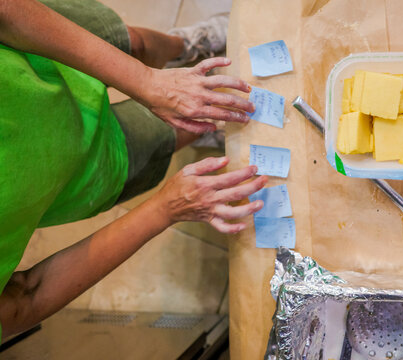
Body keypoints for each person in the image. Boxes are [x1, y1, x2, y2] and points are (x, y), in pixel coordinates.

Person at [0, 0, 267, 341]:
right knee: (166, 132)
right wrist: (164, 208)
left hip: (30, 46)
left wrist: (148, 82)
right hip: (80, 174)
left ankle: (184, 46)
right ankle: (210, 119)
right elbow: (25, 297)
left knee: (134, 45)